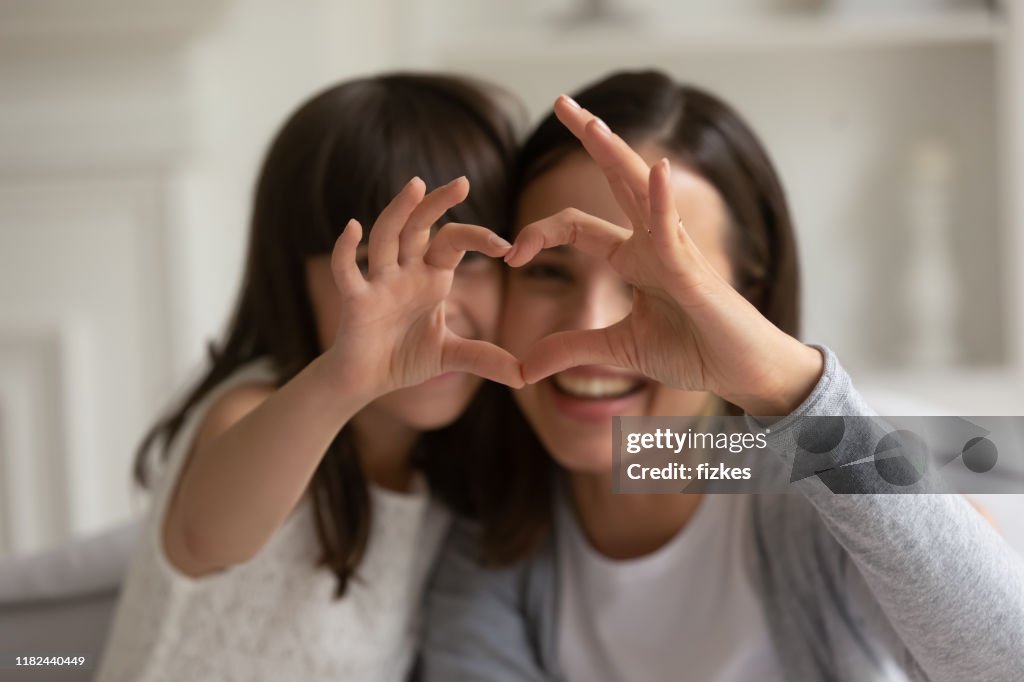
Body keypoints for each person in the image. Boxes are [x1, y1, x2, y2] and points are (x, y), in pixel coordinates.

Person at [420, 71, 1024, 681]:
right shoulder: (485, 538)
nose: (590, 327)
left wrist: (789, 388)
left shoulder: (822, 495)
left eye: (653, 285)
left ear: (748, 302)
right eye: (548, 274)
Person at [96, 73, 523, 682]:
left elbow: (679, 470)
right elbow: (208, 533)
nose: (434, 306)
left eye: (470, 260)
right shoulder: (249, 412)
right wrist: (345, 380)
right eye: (383, 265)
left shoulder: (451, 464)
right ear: (293, 277)